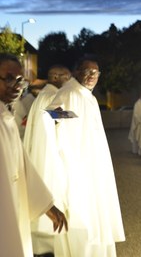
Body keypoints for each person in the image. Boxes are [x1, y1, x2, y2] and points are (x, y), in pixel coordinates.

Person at [46, 57, 125, 256]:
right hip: (78, 167)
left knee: (97, 214)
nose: (91, 76)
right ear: (76, 72)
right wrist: (72, 120)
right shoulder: (70, 92)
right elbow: (49, 115)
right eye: (87, 71)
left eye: (95, 72)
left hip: (93, 166)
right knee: (83, 217)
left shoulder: (88, 96)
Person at [0, 53, 68, 256]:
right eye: (9, 78)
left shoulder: (5, 113)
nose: (16, 85)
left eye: (20, 80)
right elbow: (65, 118)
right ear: (55, 77)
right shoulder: (50, 97)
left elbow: (22, 164)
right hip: (47, 156)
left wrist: (47, 205)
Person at [23, 64, 71, 255]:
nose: (70, 82)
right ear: (57, 77)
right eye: (68, 78)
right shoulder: (52, 97)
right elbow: (57, 115)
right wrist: (77, 113)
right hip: (48, 161)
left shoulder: (41, 96)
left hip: (38, 158)